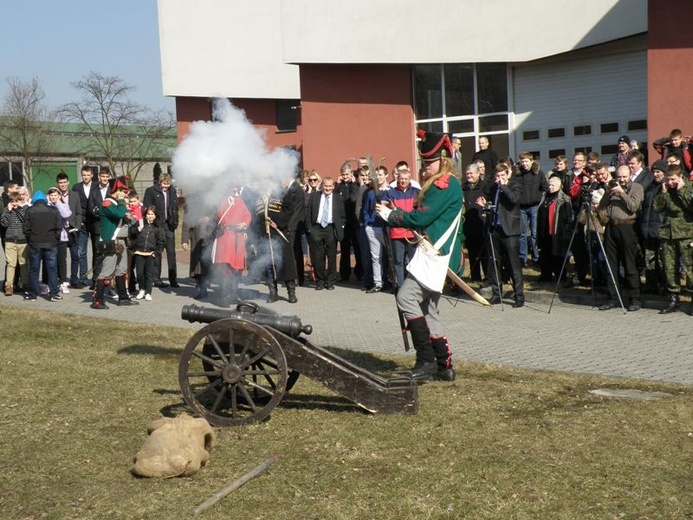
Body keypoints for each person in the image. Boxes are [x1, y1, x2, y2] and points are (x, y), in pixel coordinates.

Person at [376, 130, 463, 382]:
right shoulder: (442, 183)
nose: (424, 168)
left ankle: (425, 361)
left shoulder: (443, 184)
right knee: (429, 310)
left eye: (429, 163)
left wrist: (391, 217)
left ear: (443, 160)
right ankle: (444, 366)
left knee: (406, 298)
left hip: (435, 255)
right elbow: (423, 215)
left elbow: (422, 218)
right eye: (423, 163)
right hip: (436, 253)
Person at [597, 164, 645, 311]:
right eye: (619, 176)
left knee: (629, 264)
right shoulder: (613, 187)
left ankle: (634, 299)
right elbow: (602, 206)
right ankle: (612, 298)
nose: (621, 179)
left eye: (624, 176)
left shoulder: (636, 188)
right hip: (612, 227)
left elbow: (633, 206)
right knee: (611, 265)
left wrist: (622, 193)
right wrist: (608, 191)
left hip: (628, 227)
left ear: (630, 175)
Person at [479, 164, 525, 307]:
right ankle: (496, 294)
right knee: (494, 262)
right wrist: (485, 206)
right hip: (495, 227)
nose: (499, 179)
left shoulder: (515, 185)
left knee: (513, 264)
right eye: (497, 176)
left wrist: (504, 186)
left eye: (502, 176)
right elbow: (494, 205)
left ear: (508, 175)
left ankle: (519, 296)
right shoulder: (493, 188)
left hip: (510, 229)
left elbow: (514, 200)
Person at [256, 172, 304, 304]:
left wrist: (279, 222)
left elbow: (289, 210)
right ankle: (273, 292)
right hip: (265, 236)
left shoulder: (282, 193)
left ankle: (291, 293)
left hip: (279, 232)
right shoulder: (259, 199)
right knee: (269, 265)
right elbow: (256, 218)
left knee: (286, 264)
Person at [652, 164, 693, 313]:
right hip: (668, 232)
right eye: (668, 179)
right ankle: (673, 299)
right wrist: (663, 193)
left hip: (686, 232)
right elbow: (656, 208)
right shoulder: (665, 189)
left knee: (690, 267)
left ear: (680, 177)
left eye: (673, 179)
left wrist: (681, 190)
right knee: (669, 267)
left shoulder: (689, 187)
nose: (670, 183)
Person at [91, 177, 137, 309]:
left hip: (120, 242)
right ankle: (97, 300)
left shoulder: (117, 204)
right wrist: (122, 202)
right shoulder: (108, 203)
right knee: (106, 272)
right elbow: (118, 214)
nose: (124, 193)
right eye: (122, 190)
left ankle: (123, 298)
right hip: (111, 241)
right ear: (115, 190)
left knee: (121, 271)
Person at [212, 188, 251, 307]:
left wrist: (245, 223)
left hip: (238, 237)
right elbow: (219, 215)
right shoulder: (222, 200)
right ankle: (223, 297)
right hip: (226, 236)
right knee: (226, 267)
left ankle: (233, 294)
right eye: (232, 187)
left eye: (236, 187)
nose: (235, 189)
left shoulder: (239, 201)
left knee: (237, 268)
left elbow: (247, 214)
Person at [381, 167, 419, 287]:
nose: (403, 181)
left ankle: (412, 285)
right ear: (397, 179)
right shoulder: (391, 192)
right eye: (401, 179)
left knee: (413, 261)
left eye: (406, 179)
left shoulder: (416, 192)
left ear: (410, 179)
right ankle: (401, 286)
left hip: (412, 232)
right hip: (397, 232)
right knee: (398, 261)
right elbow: (383, 206)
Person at [22, 190, 62, 302]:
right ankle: (54, 293)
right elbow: (59, 227)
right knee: (52, 269)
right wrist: (55, 240)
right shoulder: (53, 210)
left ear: (34, 200)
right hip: (50, 243)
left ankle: (32, 294)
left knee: (34, 270)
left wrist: (30, 240)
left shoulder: (30, 211)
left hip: (35, 243)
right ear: (45, 199)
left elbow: (26, 229)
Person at [307, 177, 346, 290]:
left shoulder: (338, 198)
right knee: (318, 257)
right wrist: (310, 229)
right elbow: (308, 213)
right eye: (326, 186)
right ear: (322, 186)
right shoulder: (315, 196)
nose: (327, 188)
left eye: (330, 186)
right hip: (317, 229)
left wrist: (340, 227)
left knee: (332, 257)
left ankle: (330, 281)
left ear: (333, 187)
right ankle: (319, 281)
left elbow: (342, 216)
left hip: (331, 229)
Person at [143, 172, 179, 288]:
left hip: (169, 226)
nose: (166, 186)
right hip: (157, 225)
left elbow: (175, 207)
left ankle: (173, 279)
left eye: (168, 184)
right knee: (158, 252)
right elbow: (146, 207)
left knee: (171, 253)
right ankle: (156, 279)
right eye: (164, 183)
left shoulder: (172, 191)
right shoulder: (151, 191)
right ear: (160, 182)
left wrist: (175, 221)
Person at [536, 176, 573, 282]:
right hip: (544, 231)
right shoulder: (544, 196)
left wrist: (566, 232)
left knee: (557, 256)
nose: (550, 187)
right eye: (549, 184)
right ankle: (545, 276)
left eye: (552, 185)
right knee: (545, 254)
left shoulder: (564, 199)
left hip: (557, 231)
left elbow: (568, 218)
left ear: (559, 185)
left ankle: (560, 277)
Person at [516, 151, 548, 267]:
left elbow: (545, 187)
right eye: (522, 161)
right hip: (522, 207)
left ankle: (536, 258)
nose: (524, 164)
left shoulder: (538, 173)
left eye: (526, 161)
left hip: (534, 206)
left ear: (531, 161)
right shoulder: (518, 174)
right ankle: (522, 258)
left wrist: (540, 199)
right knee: (522, 234)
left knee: (534, 234)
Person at [362, 166, 389, 293]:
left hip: (387, 228)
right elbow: (366, 210)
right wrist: (367, 225)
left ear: (386, 175)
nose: (378, 177)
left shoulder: (390, 191)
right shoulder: (370, 192)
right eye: (376, 175)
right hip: (373, 228)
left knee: (391, 256)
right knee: (376, 257)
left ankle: (392, 281)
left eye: (381, 174)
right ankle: (378, 283)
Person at [130, 206, 166, 301]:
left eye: (152, 214)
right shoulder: (140, 223)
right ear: (145, 215)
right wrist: (136, 230)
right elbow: (131, 234)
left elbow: (161, 241)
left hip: (150, 253)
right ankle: (142, 289)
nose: (150, 216)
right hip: (139, 252)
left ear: (155, 215)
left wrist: (156, 252)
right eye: (148, 214)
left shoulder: (158, 227)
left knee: (149, 274)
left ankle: (148, 292)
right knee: (140, 273)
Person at [461, 162, 488, 283]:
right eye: (467, 173)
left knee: (484, 253)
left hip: (482, 224)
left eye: (471, 173)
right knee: (472, 253)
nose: (469, 175)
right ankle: (475, 277)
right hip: (469, 224)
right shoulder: (463, 188)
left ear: (478, 173)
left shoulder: (484, 187)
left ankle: (488, 277)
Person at [335, 162, 361, 282]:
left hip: (354, 221)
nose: (345, 176)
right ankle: (344, 274)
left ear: (351, 173)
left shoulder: (356, 185)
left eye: (347, 174)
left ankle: (359, 272)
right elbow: (335, 199)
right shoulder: (338, 186)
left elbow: (355, 197)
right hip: (343, 222)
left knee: (357, 247)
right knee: (344, 249)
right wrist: (338, 185)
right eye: (343, 174)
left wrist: (354, 183)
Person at [56, 172, 82, 291]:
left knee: (75, 255)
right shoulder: (54, 195)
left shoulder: (75, 195)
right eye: (60, 183)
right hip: (60, 229)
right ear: (57, 183)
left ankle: (74, 279)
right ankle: (62, 280)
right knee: (61, 257)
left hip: (72, 229)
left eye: (64, 182)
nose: (62, 185)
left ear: (68, 182)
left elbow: (78, 212)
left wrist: (77, 225)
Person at [1, 192, 29, 296]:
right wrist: (8, 211)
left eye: (16, 201)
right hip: (10, 241)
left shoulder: (25, 209)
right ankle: (9, 286)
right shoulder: (7, 210)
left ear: (20, 201)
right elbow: (4, 223)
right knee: (11, 264)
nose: (14, 203)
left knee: (24, 264)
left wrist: (19, 208)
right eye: (12, 201)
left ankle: (26, 285)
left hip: (22, 241)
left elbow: (24, 219)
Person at [72, 165, 95, 288]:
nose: (86, 177)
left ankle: (96, 277)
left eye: (88, 175)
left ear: (92, 175)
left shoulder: (96, 186)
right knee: (82, 251)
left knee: (97, 251)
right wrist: (77, 220)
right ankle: (83, 277)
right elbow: (74, 205)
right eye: (84, 175)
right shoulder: (76, 187)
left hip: (95, 222)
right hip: (82, 223)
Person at [46, 187, 73, 294]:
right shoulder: (46, 206)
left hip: (62, 237)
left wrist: (58, 203)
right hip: (50, 237)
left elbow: (66, 215)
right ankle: (50, 282)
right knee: (50, 261)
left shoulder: (63, 205)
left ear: (59, 196)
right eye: (51, 195)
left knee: (62, 260)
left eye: (55, 195)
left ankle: (63, 282)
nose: (53, 197)